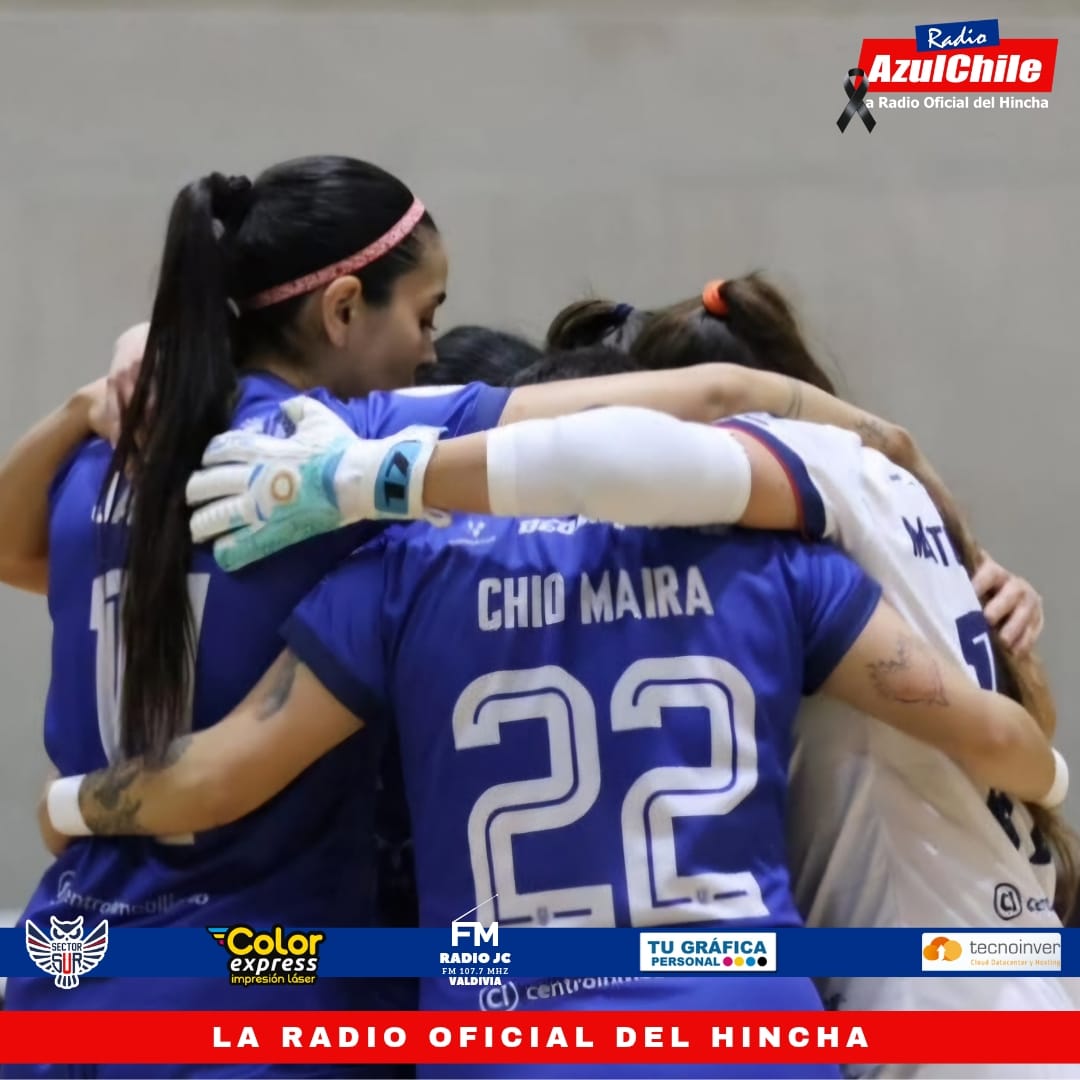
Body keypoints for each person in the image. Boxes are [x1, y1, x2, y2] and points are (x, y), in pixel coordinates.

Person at [38, 388, 1061, 1080]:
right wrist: (1052, 785)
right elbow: (993, 733)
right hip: (736, 1025)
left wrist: (67, 803)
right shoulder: (775, 565)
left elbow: (223, 772)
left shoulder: (405, 571)